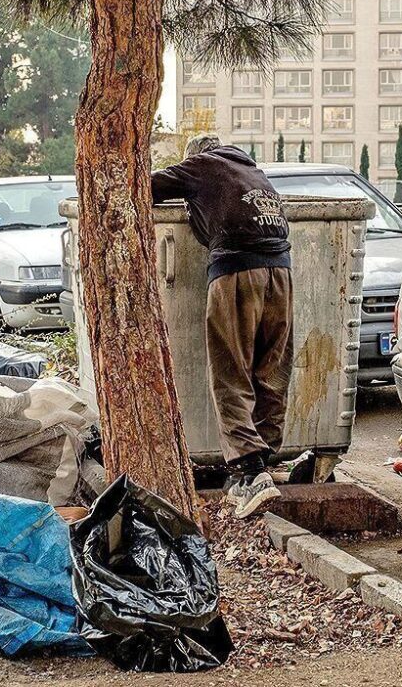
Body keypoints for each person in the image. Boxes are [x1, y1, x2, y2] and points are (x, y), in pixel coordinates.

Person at [151, 133, 293, 518]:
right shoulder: (253, 172)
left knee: (230, 372)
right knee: (271, 371)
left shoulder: (202, 165)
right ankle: (264, 461)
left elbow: (144, 187)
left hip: (236, 271)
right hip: (281, 273)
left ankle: (250, 472)